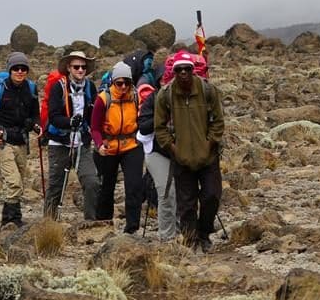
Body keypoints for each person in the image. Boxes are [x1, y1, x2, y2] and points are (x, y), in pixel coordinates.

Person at [154, 50, 224, 252]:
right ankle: (191, 240)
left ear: (193, 70)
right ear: (174, 72)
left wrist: (210, 143)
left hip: (208, 157)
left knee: (212, 196)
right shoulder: (165, 95)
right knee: (186, 203)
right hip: (181, 158)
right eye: (179, 70)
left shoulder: (207, 90)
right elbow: (159, 128)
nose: (183, 73)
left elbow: (218, 121)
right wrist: (173, 148)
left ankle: (204, 233)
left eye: (187, 69)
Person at [0, 52, 41, 228]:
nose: (20, 71)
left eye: (23, 68)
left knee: (19, 182)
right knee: (14, 183)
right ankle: (12, 220)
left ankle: (9, 221)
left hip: (22, 142)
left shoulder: (31, 89)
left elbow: (35, 114)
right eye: (16, 68)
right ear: (10, 70)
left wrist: (36, 125)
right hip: (4, 142)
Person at [44, 51, 101, 220]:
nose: (80, 70)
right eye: (76, 67)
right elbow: (53, 116)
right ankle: (48, 224)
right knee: (56, 186)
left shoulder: (90, 87)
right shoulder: (58, 88)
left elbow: (94, 116)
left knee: (92, 182)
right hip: (60, 143)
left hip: (82, 142)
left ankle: (90, 223)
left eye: (83, 67)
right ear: (69, 68)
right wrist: (70, 122)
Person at [91, 61, 144, 233]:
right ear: (113, 82)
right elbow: (95, 128)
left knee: (134, 186)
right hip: (109, 147)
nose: (123, 87)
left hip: (131, 145)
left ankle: (132, 228)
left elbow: (142, 120)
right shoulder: (103, 99)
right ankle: (103, 224)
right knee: (107, 186)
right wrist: (100, 144)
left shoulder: (135, 97)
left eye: (127, 83)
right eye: (119, 83)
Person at [137, 66, 177, 241]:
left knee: (184, 192)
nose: (167, 82)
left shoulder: (186, 98)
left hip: (182, 151)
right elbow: (143, 127)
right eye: (163, 79)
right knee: (166, 191)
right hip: (157, 152)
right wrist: (161, 116)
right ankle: (167, 237)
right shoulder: (152, 99)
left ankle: (184, 232)